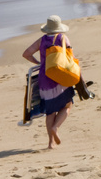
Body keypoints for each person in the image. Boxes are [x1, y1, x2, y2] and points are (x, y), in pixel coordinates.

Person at [22, 16, 77, 149]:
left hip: (45, 79)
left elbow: (26, 54)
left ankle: (51, 143)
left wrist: (40, 64)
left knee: (50, 112)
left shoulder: (42, 40)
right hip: (60, 77)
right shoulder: (63, 38)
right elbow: (71, 57)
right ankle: (56, 127)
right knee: (68, 105)